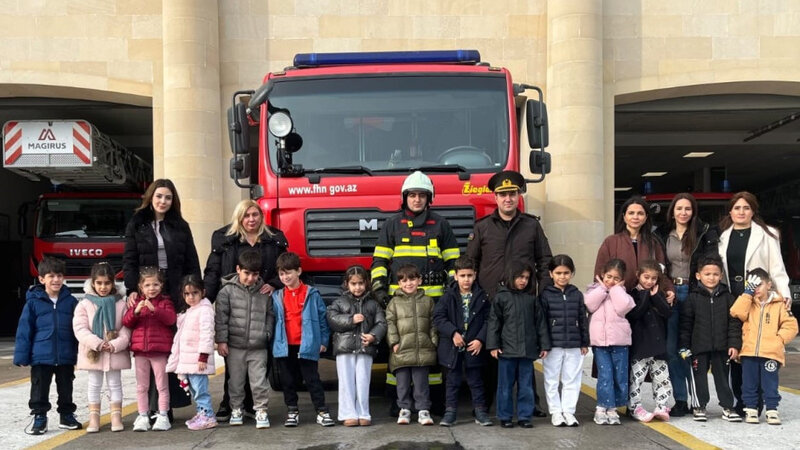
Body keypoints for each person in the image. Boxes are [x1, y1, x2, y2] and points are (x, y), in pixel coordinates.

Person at [466, 169, 552, 416]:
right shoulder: (483, 227)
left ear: (518, 196)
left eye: (512, 194)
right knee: (490, 354)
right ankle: (486, 404)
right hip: (491, 301)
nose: (508, 199)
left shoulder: (531, 226)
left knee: (525, 353)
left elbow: (545, 260)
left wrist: (543, 292)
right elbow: (471, 262)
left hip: (524, 302)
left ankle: (532, 404)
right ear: (495, 197)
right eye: (503, 194)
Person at [371, 171, 458, 415]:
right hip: (398, 303)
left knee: (431, 352)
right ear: (405, 198)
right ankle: (397, 402)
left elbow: (453, 262)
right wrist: (379, 289)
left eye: (422, 195)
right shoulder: (392, 225)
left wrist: (451, 292)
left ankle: (433, 402)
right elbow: (380, 261)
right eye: (412, 195)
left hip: (433, 303)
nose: (417, 199)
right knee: (397, 353)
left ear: (429, 198)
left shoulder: (441, 224)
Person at [123, 179, 200, 415]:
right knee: (149, 347)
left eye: (168, 197)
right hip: (147, 290)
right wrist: (132, 289)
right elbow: (129, 260)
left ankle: (168, 407)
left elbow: (191, 260)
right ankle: (149, 408)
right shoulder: (137, 224)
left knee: (172, 348)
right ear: (150, 197)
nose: (163, 201)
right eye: (159, 196)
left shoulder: (181, 226)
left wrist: (194, 290)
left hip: (175, 291)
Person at [204, 201, 286, 422]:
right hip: (234, 303)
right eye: (246, 215)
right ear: (239, 217)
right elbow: (213, 271)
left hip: (261, 302)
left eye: (255, 214)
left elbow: (284, 267)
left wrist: (275, 284)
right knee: (234, 365)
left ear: (261, 216)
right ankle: (230, 404)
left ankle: (252, 405)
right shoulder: (225, 239)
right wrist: (205, 301)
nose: (251, 219)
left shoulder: (274, 239)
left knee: (259, 365)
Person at [717, 191, 792, 416]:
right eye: (737, 208)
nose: (741, 212)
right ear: (730, 211)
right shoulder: (722, 236)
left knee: (757, 351)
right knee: (736, 349)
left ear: (753, 211)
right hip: (734, 298)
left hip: (758, 299)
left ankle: (757, 401)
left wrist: (783, 293)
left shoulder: (768, 235)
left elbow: (777, 268)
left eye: (746, 208)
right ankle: (742, 401)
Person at [655, 193, 719, 417]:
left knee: (694, 348)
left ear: (693, 212)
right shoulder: (662, 234)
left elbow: (711, 263)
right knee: (672, 349)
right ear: (672, 211)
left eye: (688, 209)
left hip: (695, 293)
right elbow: (659, 266)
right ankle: (681, 399)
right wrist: (666, 288)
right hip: (671, 293)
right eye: (679, 208)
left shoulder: (705, 232)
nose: (683, 212)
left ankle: (698, 400)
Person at [14, 257, 81, 435]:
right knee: (39, 388)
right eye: (51, 276)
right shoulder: (33, 303)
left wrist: (80, 353)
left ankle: (66, 416)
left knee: (66, 387)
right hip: (40, 356)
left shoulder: (71, 302)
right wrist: (22, 356)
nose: (56, 280)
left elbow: (78, 329)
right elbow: (24, 331)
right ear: (42, 279)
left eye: (59, 276)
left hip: (65, 355)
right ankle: (40, 417)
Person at [272, 252, 334, 427]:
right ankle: (292, 411)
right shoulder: (277, 296)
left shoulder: (311, 294)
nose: (285, 277)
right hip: (285, 346)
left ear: (298, 271)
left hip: (307, 345)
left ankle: (321, 411)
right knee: (288, 381)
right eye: (281, 274)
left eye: (288, 272)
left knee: (313, 379)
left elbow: (322, 319)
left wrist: (323, 341)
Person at [214, 250, 275, 428]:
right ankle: (236, 409)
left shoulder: (264, 292)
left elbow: (270, 315)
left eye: (255, 274)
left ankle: (261, 410)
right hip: (235, 346)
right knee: (235, 382)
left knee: (259, 382)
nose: (250, 278)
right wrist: (222, 341)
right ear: (238, 269)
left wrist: (267, 333)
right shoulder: (226, 291)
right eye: (246, 273)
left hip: (258, 346)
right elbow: (221, 318)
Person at [487, 261, 551, 429]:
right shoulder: (501, 298)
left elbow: (540, 324)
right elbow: (494, 323)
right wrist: (493, 345)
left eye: (527, 278)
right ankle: (505, 416)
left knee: (526, 387)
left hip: (527, 351)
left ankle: (525, 416)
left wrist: (544, 345)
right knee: (505, 387)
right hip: (506, 352)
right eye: (520, 277)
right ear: (511, 277)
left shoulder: (531, 299)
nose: (523, 281)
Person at [730, 269, 798, 425]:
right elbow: (736, 312)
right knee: (749, 383)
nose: (756, 288)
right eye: (752, 285)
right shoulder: (748, 302)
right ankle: (751, 409)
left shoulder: (779, 304)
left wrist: (779, 340)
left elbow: (791, 326)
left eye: (759, 284)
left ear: (769, 284)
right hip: (749, 352)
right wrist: (747, 293)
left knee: (770, 383)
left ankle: (772, 410)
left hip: (771, 353)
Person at [679, 256, 742, 422]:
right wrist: (684, 346)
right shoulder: (692, 298)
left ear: (721, 276)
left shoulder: (728, 298)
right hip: (698, 347)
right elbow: (686, 325)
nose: (711, 277)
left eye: (715, 274)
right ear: (698, 275)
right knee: (698, 378)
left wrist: (734, 345)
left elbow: (734, 324)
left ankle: (728, 406)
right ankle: (699, 405)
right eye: (707, 274)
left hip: (722, 347)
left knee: (724, 378)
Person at [432, 256, 493, 427]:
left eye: (470, 275)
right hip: (453, 347)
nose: (466, 280)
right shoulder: (448, 296)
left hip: (474, 346)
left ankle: (480, 411)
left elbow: (489, 320)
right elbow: (438, 317)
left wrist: (480, 339)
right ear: (455, 276)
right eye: (463, 276)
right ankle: (450, 412)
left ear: (475, 275)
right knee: (452, 381)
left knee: (476, 380)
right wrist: (453, 333)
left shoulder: (482, 297)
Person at [72, 262, 131, 433]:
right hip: (94, 352)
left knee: (115, 384)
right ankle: (94, 419)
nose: (103, 287)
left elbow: (126, 328)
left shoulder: (121, 304)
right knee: (94, 384)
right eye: (99, 283)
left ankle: (116, 417)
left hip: (114, 352)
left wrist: (115, 344)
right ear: (93, 283)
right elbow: (80, 328)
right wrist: (97, 343)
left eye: (107, 283)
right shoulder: (84, 304)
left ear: (113, 283)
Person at [326, 265, 387, 427]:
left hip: (365, 347)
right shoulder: (339, 302)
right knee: (346, 381)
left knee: (363, 380)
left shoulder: (373, 304)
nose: (357, 287)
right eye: (353, 284)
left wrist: (373, 336)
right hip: (344, 347)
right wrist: (351, 320)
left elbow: (381, 323)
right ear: (347, 284)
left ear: (366, 283)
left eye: (360, 283)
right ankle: (348, 413)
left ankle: (363, 412)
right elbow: (332, 319)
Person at [122, 267, 177, 432]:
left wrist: (155, 310)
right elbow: (126, 322)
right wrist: (136, 311)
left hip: (159, 352)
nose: (151, 288)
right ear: (140, 287)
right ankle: (143, 415)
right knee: (141, 386)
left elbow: (171, 319)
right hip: (140, 352)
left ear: (161, 285)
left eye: (155, 284)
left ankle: (163, 415)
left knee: (162, 385)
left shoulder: (165, 302)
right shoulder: (136, 303)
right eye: (147, 285)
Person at [386, 264, 439, 426]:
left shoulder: (428, 301)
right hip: (401, 349)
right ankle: (404, 409)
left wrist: (433, 340)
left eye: (412, 279)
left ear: (419, 281)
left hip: (423, 349)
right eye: (404, 280)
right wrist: (394, 342)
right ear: (399, 284)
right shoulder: (394, 302)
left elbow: (433, 323)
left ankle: (423, 410)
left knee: (421, 383)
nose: (408, 283)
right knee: (402, 383)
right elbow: (390, 323)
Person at [539, 254, 589, 427]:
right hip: (553, 346)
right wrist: (544, 344)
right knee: (551, 379)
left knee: (572, 379)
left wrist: (584, 342)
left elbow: (583, 318)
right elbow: (542, 322)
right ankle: (555, 412)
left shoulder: (577, 294)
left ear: (572, 273)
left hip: (574, 344)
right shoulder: (545, 295)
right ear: (551, 274)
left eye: (566, 273)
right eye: (558, 273)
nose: (562, 276)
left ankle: (568, 411)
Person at [584, 259, 635, 426]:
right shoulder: (594, 290)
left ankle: (613, 408)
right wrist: (602, 289)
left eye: (616, 278)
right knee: (605, 375)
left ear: (622, 280)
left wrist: (615, 289)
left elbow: (623, 307)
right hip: (600, 343)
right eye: (608, 276)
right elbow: (589, 305)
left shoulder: (622, 294)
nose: (611, 281)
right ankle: (601, 407)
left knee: (620, 375)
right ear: (602, 275)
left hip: (620, 342)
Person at [595, 196, 675, 298]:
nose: (635, 217)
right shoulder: (611, 242)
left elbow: (661, 272)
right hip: (617, 299)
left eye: (640, 213)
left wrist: (669, 289)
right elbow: (599, 273)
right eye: (631, 213)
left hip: (647, 299)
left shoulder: (654, 242)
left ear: (646, 217)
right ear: (624, 216)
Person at [167, 275, 218, 430]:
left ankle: (207, 416)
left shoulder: (204, 310)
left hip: (197, 360)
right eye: (187, 294)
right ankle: (201, 413)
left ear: (203, 292)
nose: (191, 297)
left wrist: (203, 356)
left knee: (200, 390)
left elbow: (207, 333)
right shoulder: (189, 311)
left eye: (195, 293)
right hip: (189, 360)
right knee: (195, 389)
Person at [625, 260, 673, 423]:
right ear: (638, 275)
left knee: (662, 378)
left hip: (658, 346)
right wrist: (646, 295)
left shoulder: (658, 294)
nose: (650, 281)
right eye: (646, 277)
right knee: (636, 379)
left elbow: (667, 312)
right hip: (640, 346)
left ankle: (662, 405)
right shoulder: (632, 294)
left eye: (653, 278)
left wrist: (656, 296)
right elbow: (635, 313)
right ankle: (634, 407)